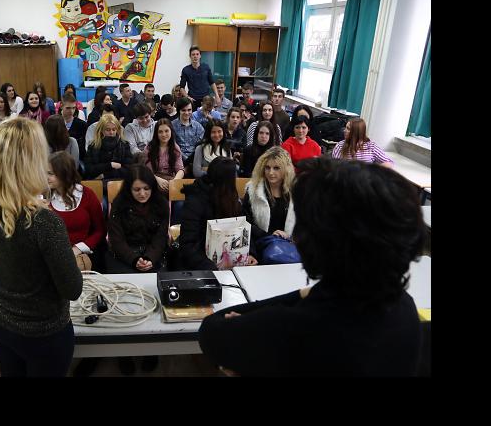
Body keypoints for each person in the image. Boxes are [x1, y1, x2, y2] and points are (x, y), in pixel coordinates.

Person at [198, 157, 426, 376]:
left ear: (317, 241)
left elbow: (212, 329)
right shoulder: (404, 308)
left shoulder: (292, 326)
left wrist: (299, 295)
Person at [0, 118, 83, 377]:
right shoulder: (44, 222)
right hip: (43, 333)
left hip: (1, 322)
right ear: (31, 163)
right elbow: (72, 289)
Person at [175, 157, 258, 271]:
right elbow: (188, 244)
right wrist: (211, 267)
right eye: (234, 176)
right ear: (227, 180)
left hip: (231, 262)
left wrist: (250, 253)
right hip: (201, 264)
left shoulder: (231, 198)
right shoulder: (195, 200)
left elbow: (243, 227)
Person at [47, 151, 105, 272]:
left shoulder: (87, 195)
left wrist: (78, 248)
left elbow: (100, 230)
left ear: (64, 174)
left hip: (82, 255)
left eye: (50, 174)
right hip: (52, 256)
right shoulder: (44, 197)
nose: (46, 178)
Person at [106, 165, 169, 274]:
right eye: (137, 189)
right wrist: (133, 259)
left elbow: (160, 237)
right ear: (129, 189)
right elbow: (116, 239)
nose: (142, 194)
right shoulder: (119, 204)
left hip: (154, 253)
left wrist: (150, 258)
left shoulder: (161, 203)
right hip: (124, 254)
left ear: (152, 187)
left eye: (146, 188)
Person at [242, 147, 296, 243]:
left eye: (276, 168)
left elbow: (303, 224)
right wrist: (270, 235)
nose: (271, 173)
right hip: (261, 243)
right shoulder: (253, 191)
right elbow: (246, 222)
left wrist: (288, 237)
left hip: (289, 246)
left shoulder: (296, 192)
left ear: (286, 169)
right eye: (267, 168)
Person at [83, 112, 133, 180]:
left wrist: (105, 175)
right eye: (108, 130)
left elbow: (128, 169)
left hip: (119, 182)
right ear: (101, 130)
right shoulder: (93, 146)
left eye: (114, 129)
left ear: (117, 130)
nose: (111, 132)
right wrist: (110, 165)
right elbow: (89, 169)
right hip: (98, 182)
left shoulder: (124, 145)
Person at [145, 118, 185, 192]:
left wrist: (174, 181)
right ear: (156, 134)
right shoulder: (149, 148)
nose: (164, 135)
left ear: (171, 131)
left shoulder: (175, 148)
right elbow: (147, 170)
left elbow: (180, 169)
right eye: (160, 132)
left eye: (166, 131)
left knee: (181, 202)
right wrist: (158, 180)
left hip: (171, 180)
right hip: (154, 180)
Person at [173, 97, 205, 168]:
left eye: (189, 110)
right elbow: (173, 146)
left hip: (195, 160)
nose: (187, 113)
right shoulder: (172, 126)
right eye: (183, 110)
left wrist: (192, 160)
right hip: (177, 160)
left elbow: (200, 146)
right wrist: (186, 160)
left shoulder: (198, 126)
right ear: (179, 111)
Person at [60, 93, 88, 160]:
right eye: (68, 108)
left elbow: (83, 149)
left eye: (73, 108)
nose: (71, 111)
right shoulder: (55, 123)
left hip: (76, 159)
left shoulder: (82, 125)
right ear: (61, 106)